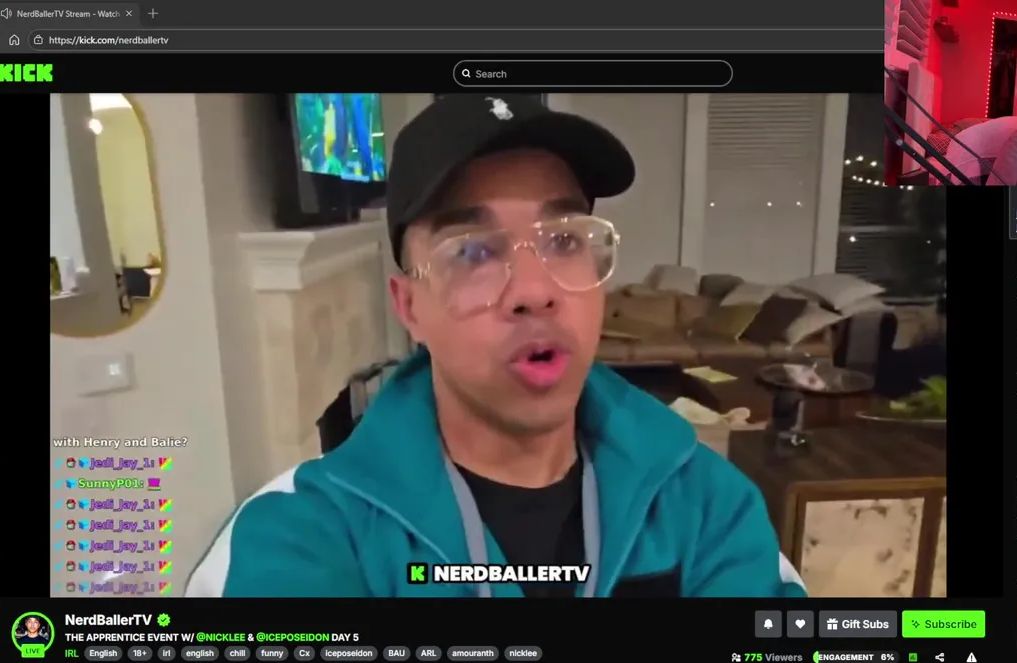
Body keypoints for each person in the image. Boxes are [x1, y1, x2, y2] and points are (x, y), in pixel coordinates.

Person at [188, 94, 806, 598]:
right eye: (474, 251)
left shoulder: (707, 503)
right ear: (410, 308)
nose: (534, 291)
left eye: (564, 239)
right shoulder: (301, 534)